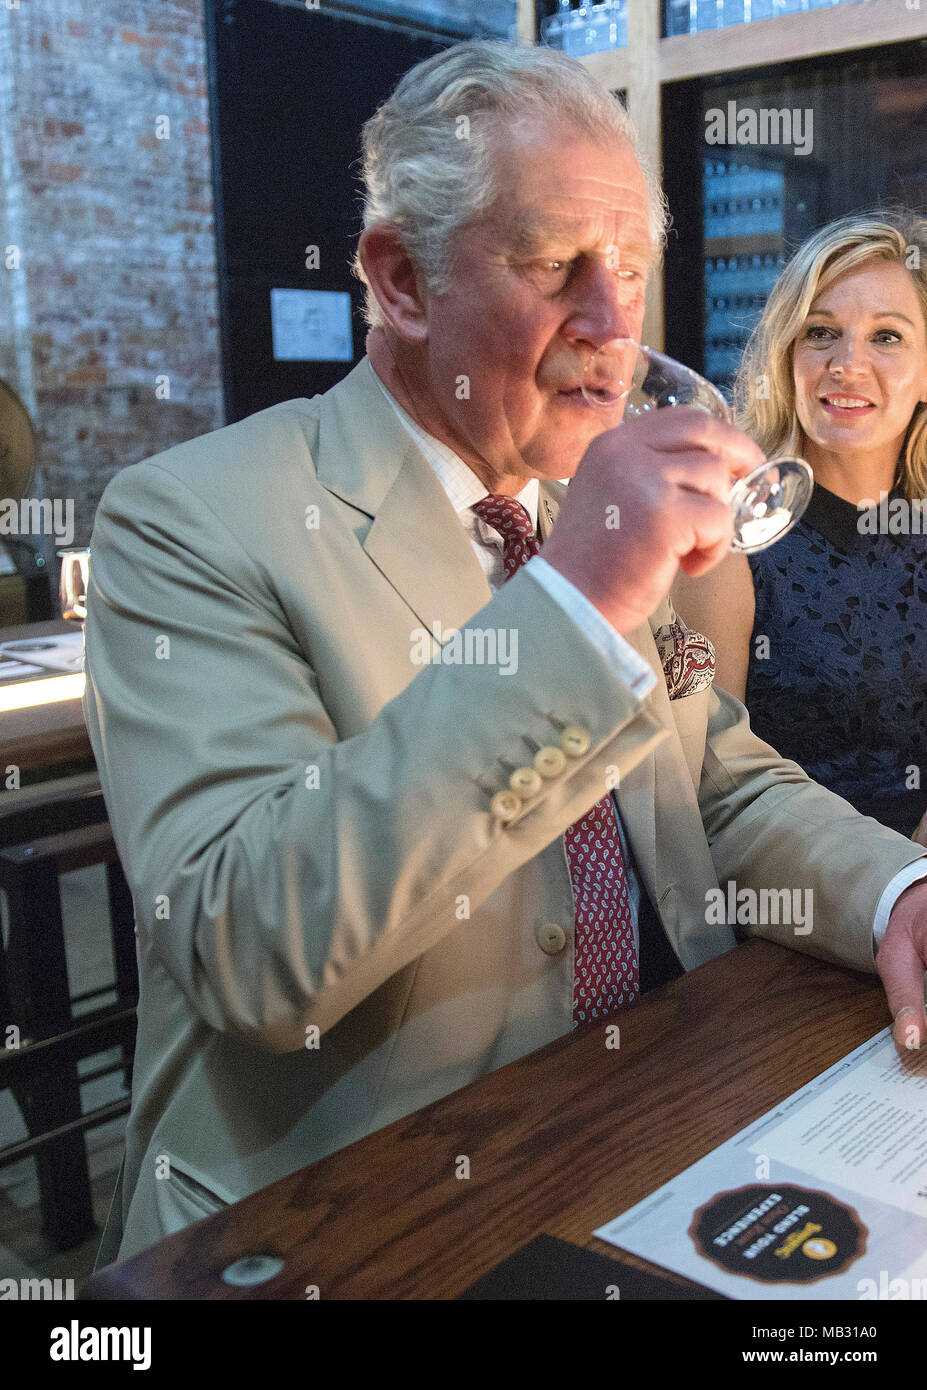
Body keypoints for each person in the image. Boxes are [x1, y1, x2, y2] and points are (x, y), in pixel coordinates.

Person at [82, 41, 927, 1267]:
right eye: (552, 266)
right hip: (353, 1212)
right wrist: (580, 598)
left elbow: (719, 781)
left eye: (631, 269)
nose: (613, 325)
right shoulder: (187, 515)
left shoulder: (571, 497)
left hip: (649, 1125)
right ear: (402, 280)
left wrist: (897, 893)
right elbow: (249, 944)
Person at [672, 211, 927, 846]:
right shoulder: (730, 538)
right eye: (822, 333)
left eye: (887, 337)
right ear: (788, 356)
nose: (848, 363)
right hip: (791, 921)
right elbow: (706, 790)